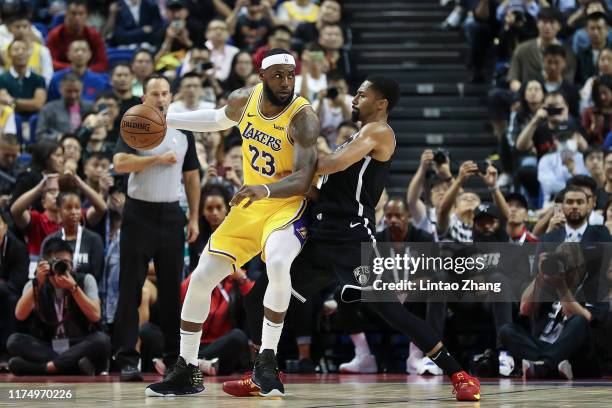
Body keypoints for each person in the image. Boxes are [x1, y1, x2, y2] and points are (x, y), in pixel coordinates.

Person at [222, 77, 481, 401]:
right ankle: (265, 372)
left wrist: (290, 139)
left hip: (352, 238)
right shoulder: (353, 138)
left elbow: (330, 163)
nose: (354, 98)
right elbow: (321, 189)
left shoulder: (379, 132)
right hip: (320, 236)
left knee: (391, 312)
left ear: (381, 103)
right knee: (256, 298)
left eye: (362, 94)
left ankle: (459, 374)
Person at [145, 48, 319, 396]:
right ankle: (186, 370)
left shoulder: (303, 117)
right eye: (278, 76)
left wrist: (264, 189)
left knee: (280, 265)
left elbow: (303, 179)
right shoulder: (244, 100)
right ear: (262, 77)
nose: (286, 82)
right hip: (249, 206)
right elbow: (215, 120)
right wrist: (168, 119)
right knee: (200, 278)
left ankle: (267, 363)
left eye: (291, 75)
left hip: (285, 207)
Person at [112, 73, 201, 382]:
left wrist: (193, 218)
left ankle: (174, 358)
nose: (161, 99)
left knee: (171, 293)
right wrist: (155, 160)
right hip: (138, 214)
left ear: (171, 96)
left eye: (165, 93)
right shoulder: (134, 123)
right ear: (143, 99)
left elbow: (192, 177)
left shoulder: (183, 130)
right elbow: (120, 163)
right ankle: (126, 357)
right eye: (155, 94)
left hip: (171, 215)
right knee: (130, 288)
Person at [500, 187, 611, 379]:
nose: (565, 267)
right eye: (569, 202)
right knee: (507, 330)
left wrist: (562, 287)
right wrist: (541, 275)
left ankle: (542, 366)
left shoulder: (594, 285)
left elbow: (586, 320)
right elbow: (525, 310)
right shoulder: (549, 274)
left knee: (578, 321)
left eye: (570, 263)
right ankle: (549, 364)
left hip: (578, 352)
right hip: (546, 345)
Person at [7, 237, 111, 376]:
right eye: (56, 263)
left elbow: (95, 315)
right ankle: (72, 367)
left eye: (66, 263)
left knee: (101, 340)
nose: (61, 268)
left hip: (78, 344)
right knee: (14, 341)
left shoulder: (85, 280)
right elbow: (20, 315)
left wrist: (73, 288)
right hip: (49, 346)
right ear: (45, 264)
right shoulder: (35, 284)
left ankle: (44, 368)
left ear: (72, 265)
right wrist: (37, 283)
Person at [40, 191, 105, 282]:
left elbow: (97, 277)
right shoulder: (50, 240)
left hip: (85, 292)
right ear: (59, 211)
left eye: (77, 208)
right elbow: (43, 272)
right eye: (68, 208)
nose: (74, 212)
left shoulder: (94, 240)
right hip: (57, 292)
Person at [46, 0, 109, 73]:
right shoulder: (55, 35)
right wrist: (74, 69)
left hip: (88, 75)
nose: (77, 18)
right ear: (66, 15)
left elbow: (103, 64)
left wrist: (84, 71)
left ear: (86, 16)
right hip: (62, 76)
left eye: (81, 14)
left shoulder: (94, 35)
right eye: (73, 14)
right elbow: (50, 62)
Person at [0, 211, 29, 361]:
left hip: (9, 294)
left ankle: (6, 352)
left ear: (5, 227)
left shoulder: (17, 248)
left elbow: (18, 283)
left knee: (11, 299)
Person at [47, 40, 111, 103]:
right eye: (76, 50)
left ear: (90, 55)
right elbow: (51, 104)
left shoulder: (101, 81)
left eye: (84, 50)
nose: (80, 53)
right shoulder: (56, 79)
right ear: (68, 55)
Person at [36, 73, 94, 141]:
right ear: (60, 89)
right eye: (69, 91)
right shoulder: (48, 109)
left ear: (82, 89)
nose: (73, 95)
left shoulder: (90, 108)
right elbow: (39, 136)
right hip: (58, 146)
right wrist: (58, 138)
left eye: (77, 91)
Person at [2, 12, 53, 85]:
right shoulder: (4, 51)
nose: (21, 30)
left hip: (36, 91)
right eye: (17, 27)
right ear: (10, 29)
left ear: (30, 28)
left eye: (25, 26)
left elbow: (47, 76)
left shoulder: (42, 50)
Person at [0, 39, 47, 117]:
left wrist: (13, 101)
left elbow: (38, 104)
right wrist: (28, 104)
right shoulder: (2, 79)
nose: (20, 52)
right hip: (10, 120)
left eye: (24, 49)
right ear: (9, 55)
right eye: (16, 49)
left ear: (29, 54)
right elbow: (4, 102)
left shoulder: (39, 79)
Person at [575, 11, 610, 86]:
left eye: (599, 28)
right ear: (587, 31)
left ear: (607, 30)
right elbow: (577, 81)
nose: (596, 32)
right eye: (592, 28)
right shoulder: (581, 55)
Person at [582, 74, 612, 145]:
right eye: (599, 94)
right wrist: (593, 129)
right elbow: (583, 139)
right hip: (595, 150)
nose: (602, 97)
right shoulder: (589, 112)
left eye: (605, 93)